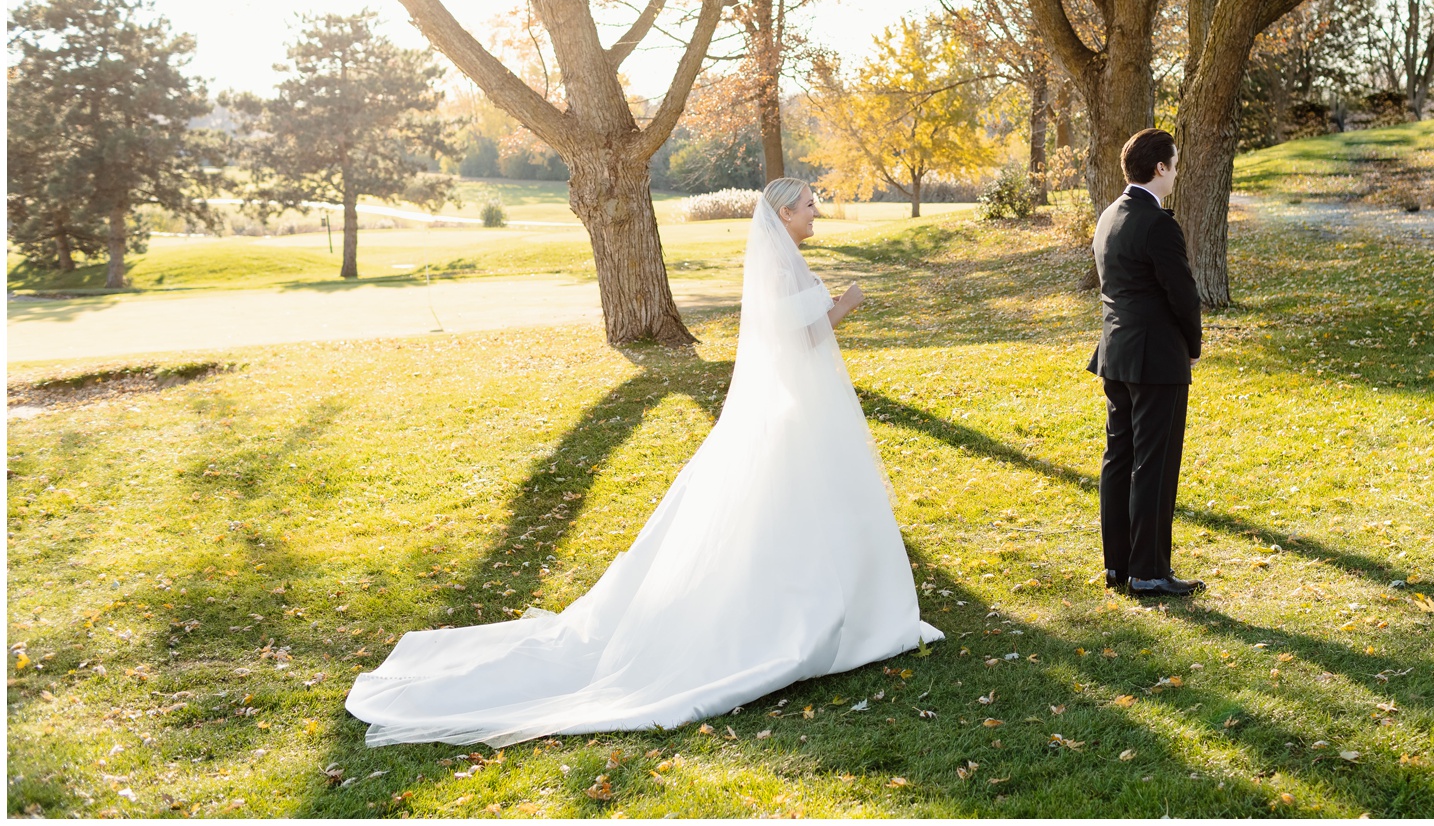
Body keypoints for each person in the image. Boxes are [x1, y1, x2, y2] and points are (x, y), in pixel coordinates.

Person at [346, 178, 942, 746]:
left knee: (811, 505)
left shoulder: (782, 261)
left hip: (795, 406)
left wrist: (831, 306)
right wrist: (848, 305)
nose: (816, 211)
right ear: (785, 214)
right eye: (809, 205)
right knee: (791, 505)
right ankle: (809, 618)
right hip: (797, 410)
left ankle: (845, 611)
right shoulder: (782, 264)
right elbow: (803, 339)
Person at [1087, 129, 1205, 598]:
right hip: (1156, 358)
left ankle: (1118, 566)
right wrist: (1192, 346)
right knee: (1153, 465)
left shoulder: (1109, 215)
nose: (1176, 172)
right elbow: (1183, 295)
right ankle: (1149, 571)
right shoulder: (1157, 224)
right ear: (1160, 168)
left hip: (1116, 354)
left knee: (1120, 459)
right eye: (1174, 164)